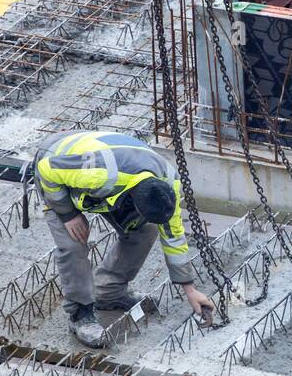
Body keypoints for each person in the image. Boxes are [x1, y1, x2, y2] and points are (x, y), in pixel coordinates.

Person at [31, 130, 215, 347]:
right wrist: (67, 214)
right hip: (55, 166)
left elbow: (173, 236)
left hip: (114, 179)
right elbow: (48, 169)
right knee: (73, 244)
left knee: (145, 230)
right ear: (134, 202)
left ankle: (109, 292)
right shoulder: (99, 174)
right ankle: (80, 315)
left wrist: (190, 289)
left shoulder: (168, 185)